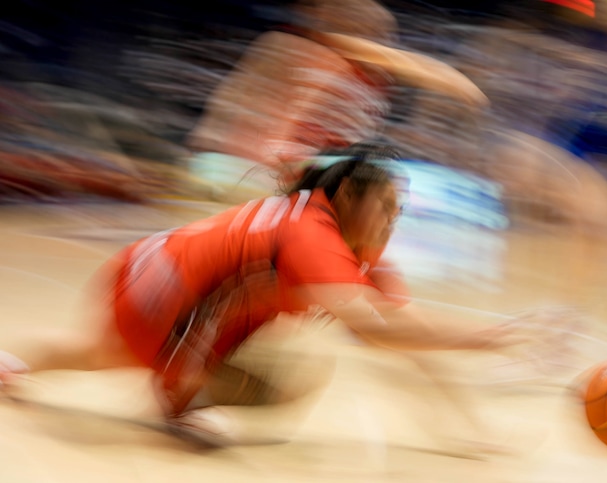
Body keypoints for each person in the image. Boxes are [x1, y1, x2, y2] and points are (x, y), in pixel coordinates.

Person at [0, 142, 539, 446]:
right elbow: (382, 330)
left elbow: (406, 340)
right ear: (349, 194)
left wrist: (468, 431)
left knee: (104, 353)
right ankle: (177, 396)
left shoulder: (344, 241)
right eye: (387, 207)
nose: (394, 222)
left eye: (400, 213)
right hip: (163, 299)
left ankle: (12, 364)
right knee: (282, 385)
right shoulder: (313, 236)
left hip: (147, 270)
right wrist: (493, 338)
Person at [186, 0, 488, 197]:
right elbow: (231, 104)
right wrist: (448, 77)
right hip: (252, 174)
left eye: (382, 31)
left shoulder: (373, 84)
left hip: (295, 182)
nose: (375, 34)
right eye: (358, 21)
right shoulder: (298, 49)